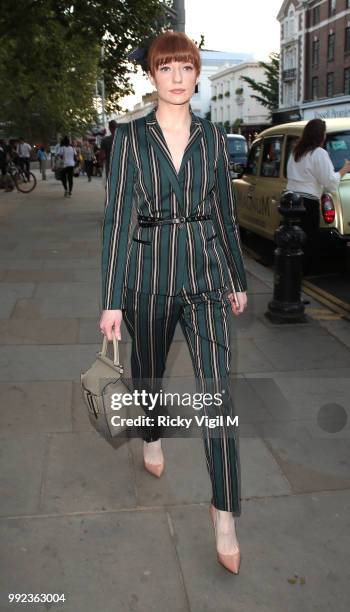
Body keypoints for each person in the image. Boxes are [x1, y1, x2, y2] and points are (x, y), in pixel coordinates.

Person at [99, 31, 248, 575]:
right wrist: (111, 299)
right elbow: (117, 220)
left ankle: (224, 510)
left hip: (206, 276)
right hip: (149, 277)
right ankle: (152, 432)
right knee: (148, 372)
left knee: (218, 395)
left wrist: (235, 276)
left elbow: (225, 214)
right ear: (153, 75)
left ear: (196, 73)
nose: (178, 76)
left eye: (186, 66)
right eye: (168, 68)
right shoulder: (130, 138)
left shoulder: (214, 137)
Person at [286, 118, 350, 269]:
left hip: (291, 202)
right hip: (308, 204)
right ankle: (299, 275)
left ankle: (292, 272)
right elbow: (330, 183)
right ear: (320, 136)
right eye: (324, 134)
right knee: (307, 243)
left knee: (294, 242)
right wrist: (344, 169)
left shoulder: (296, 152)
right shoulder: (319, 153)